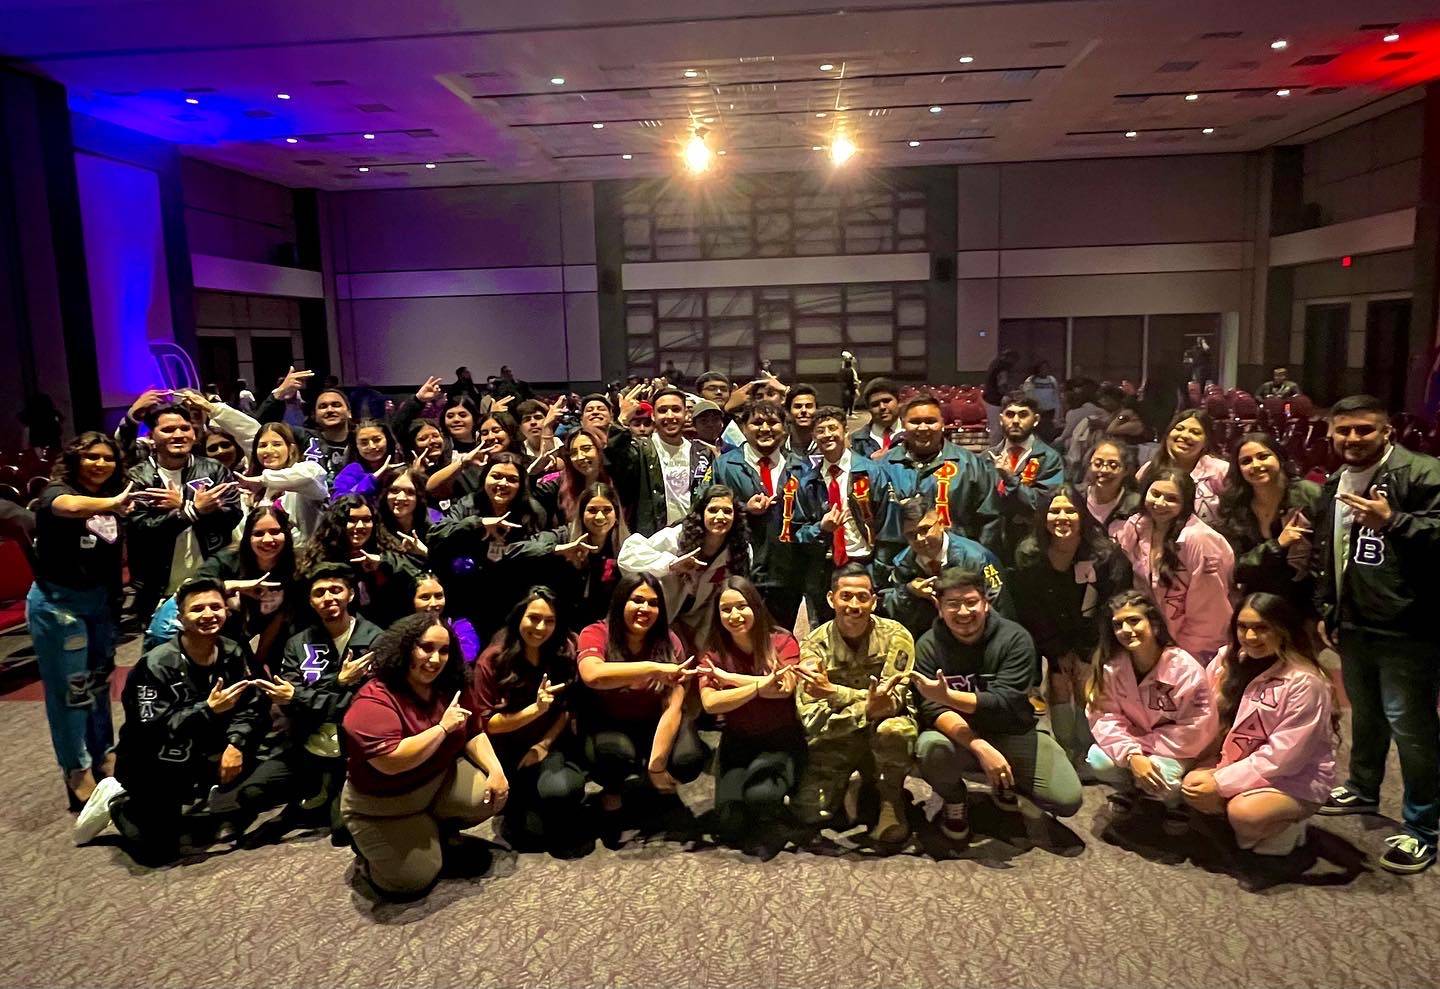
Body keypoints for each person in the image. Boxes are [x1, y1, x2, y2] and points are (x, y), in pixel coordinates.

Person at [1312, 394, 1440, 874]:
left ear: (1387, 430)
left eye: (1364, 429)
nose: (1352, 439)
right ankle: (1365, 788)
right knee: (1367, 713)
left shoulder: (1424, 473)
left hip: (1408, 626)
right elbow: (1334, 552)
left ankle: (1423, 828)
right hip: (1355, 621)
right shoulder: (1335, 482)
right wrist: (1328, 608)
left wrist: (1394, 521)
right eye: (1343, 430)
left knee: (1412, 727)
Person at [72, 579, 288, 861]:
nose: (208, 615)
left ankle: (207, 793)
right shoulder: (155, 665)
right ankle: (117, 801)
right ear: (180, 617)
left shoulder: (233, 651)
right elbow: (149, 729)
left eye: (215, 607)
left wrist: (235, 744)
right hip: (157, 763)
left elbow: (254, 705)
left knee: (273, 780)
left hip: (211, 749)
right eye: (197, 609)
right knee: (158, 852)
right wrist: (207, 711)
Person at [338, 613, 507, 899]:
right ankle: (368, 851)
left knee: (487, 795)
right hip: (384, 804)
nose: (435, 659)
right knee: (411, 882)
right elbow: (392, 762)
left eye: (444, 651)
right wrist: (442, 728)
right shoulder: (373, 700)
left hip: (435, 782)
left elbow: (474, 731)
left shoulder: (452, 684)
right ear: (404, 648)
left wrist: (496, 771)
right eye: (426, 648)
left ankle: (434, 829)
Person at [912, 568, 1083, 844]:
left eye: (971, 601)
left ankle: (1008, 782)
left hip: (1014, 730)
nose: (964, 612)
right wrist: (980, 746)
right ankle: (956, 799)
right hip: (961, 736)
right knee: (929, 748)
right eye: (952, 604)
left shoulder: (1015, 638)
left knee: (1067, 799)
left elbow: (1004, 702)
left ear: (986, 602)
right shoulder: (928, 646)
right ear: (939, 607)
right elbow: (934, 710)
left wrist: (948, 697)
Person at [28, 432, 138, 808]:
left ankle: (105, 754)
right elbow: (67, 507)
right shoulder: (58, 490)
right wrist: (112, 502)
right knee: (71, 692)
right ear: (75, 459)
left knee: (96, 687)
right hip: (59, 606)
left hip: (101, 606)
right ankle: (77, 769)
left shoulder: (117, 498)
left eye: (108, 458)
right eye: (92, 457)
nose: (100, 464)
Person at [1182, 594, 1337, 856]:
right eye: (1243, 627)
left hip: (1294, 777)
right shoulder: (1226, 661)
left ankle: (1289, 827)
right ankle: (1249, 821)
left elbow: (1285, 757)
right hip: (1237, 760)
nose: (1250, 636)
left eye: (1262, 627)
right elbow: (1204, 716)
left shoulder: (1305, 681)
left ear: (1283, 629)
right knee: (1190, 783)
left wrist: (1220, 782)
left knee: (1244, 815)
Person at [792, 564, 917, 846]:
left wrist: (834, 692)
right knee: (808, 812)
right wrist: (867, 707)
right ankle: (853, 785)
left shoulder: (897, 637)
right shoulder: (814, 646)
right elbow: (812, 718)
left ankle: (890, 800)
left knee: (895, 730)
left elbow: (892, 703)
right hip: (837, 737)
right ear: (830, 598)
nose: (855, 605)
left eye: (863, 597)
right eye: (846, 596)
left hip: (882, 735)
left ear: (874, 600)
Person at [1010, 486, 1132, 765]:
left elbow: (1112, 605)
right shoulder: (1029, 553)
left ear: (1082, 515)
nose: (1062, 517)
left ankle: (1090, 749)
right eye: (1054, 511)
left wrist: (1088, 651)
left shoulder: (1105, 555)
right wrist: (1056, 652)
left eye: (1070, 511)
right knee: (1058, 681)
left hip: (1095, 636)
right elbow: (1030, 609)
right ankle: (1067, 749)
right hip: (1049, 636)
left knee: (1087, 681)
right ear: (1043, 516)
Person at [575, 575, 709, 826]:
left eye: (653, 603)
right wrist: (652, 669)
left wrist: (657, 764)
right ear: (620, 602)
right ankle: (612, 790)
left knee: (689, 758)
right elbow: (592, 675)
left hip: (653, 722)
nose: (645, 609)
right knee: (615, 754)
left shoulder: (670, 641)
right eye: (637, 600)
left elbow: (673, 707)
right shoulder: (596, 633)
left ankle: (653, 782)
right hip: (609, 723)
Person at [1083, 590, 1216, 832]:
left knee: (1162, 777)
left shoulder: (1185, 668)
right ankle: (1131, 788)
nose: (1126, 629)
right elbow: (1103, 717)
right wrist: (1133, 755)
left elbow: (1197, 726)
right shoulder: (1112, 667)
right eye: (1118, 624)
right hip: (1135, 745)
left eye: (1134, 620)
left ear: (1154, 624)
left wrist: (1142, 749)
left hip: (1177, 749)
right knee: (1098, 759)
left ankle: (1176, 802)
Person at [472, 588, 587, 851]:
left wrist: (543, 745)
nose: (540, 627)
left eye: (549, 621)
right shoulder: (492, 659)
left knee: (562, 792)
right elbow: (487, 723)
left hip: (547, 745)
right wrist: (534, 711)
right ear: (518, 617)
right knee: (527, 837)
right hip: (504, 752)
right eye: (533, 618)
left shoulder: (562, 651)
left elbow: (566, 707)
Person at [274, 563, 385, 828]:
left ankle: (326, 798)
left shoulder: (375, 640)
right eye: (319, 593)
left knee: (342, 829)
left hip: (352, 748)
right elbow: (288, 704)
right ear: (311, 602)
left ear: (351, 595)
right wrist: (339, 682)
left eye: (336, 590)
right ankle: (315, 796)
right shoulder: (297, 644)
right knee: (252, 793)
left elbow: (365, 705)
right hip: (307, 744)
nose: (328, 598)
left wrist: (302, 697)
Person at [698, 577, 804, 851]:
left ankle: (782, 796)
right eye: (726, 609)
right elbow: (711, 703)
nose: (734, 615)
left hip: (780, 739)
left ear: (756, 606)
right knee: (729, 826)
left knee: (761, 796)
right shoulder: (713, 651)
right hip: (738, 740)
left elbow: (784, 690)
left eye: (742, 606)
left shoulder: (781, 640)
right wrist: (760, 685)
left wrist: (728, 679)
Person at [126, 403, 242, 623]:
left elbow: (232, 516)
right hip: (158, 586)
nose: (178, 435)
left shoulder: (214, 469)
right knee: (162, 650)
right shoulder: (138, 477)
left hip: (212, 579)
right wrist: (192, 510)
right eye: (168, 430)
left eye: (184, 428)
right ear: (151, 436)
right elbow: (140, 529)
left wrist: (182, 507)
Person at [428, 453, 560, 643]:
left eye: (512, 479)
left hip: (512, 599)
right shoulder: (468, 504)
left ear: (521, 485)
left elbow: (539, 552)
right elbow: (435, 535)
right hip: (465, 594)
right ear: (485, 478)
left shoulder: (533, 511)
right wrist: (478, 524)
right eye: (496, 476)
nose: (503, 483)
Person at [1114, 467, 1235, 663]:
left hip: (1196, 650)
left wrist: (1184, 657)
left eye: (1171, 499)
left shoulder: (1200, 540)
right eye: (1155, 494)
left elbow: (1210, 613)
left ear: (1185, 503)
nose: (1160, 503)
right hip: (1153, 642)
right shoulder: (1136, 526)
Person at [711, 400, 810, 626]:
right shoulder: (725, 465)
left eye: (773, 422)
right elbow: (708, 510)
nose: (765, 428)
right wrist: (745, 509)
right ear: (743, 427)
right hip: (739, 570)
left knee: (781, 636)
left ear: (785, 428)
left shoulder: (801, 467)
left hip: (787, 572)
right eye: (757, 422)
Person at [794, 406, 892, 623]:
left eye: (832, 428)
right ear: (813, 436)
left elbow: (887, 525)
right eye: (820, 430)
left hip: (865, 563)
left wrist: (880, 571)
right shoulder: (808, 481)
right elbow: (797, 532)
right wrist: (821, 528)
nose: (827, 434)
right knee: (828, 631)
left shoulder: (870, 472)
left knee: (867, 628)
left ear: (845, 431)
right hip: (826, 569)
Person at [617, 484, 751, 643]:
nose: (720, 516)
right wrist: (671, 564)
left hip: (700, 627)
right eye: (713, 510)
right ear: (702, 513)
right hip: (656, 617)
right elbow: (627, 556)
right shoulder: (677, 536)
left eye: (727, 511)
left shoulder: (741, 551)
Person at [1214, 433, 1321, 613]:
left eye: (1263, 457)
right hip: (1257, 602)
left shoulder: (1309, 494)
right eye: (1246, 461)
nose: (1256, 465)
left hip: (1306, 601)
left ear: (1279, 457)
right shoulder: (1234, 505)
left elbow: (1325, 556)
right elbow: (1235, 567)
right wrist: (1277, 545)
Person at [877, 495, 1008, 639]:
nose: (920, 539)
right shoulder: (903, 564)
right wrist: (909, 591)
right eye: (911, 534)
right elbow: (892, 611)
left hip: (977, 636)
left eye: (925, 529)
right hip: (929, 641)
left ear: (940, 522)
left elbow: (1000, 609)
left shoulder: (976, 558)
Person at [882, 394, 1001, 551]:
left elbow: (990, 519)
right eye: (915, 422)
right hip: (901, 562)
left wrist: (975, 559)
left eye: (931, 421)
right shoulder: (884, 467)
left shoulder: (971, 465)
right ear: (903, 424)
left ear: (943, 424)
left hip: (956, 561)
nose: (923, 427)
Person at [606, 387, 716, 537]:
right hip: (651, 540)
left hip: (692, 537)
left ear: (686, 413)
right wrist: (623, 419)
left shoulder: (703, 453)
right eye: (663, 410)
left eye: (676, 409)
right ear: (653, 415)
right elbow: (613, 459)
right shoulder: (640, 450)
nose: (670, 416)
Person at [986, 393, 1065, 565]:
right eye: (1010, 414)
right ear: (1001, 419)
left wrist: (1009, 478)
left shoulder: (1049, 458)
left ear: (1035, 419)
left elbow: (1042, 504)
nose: (1015, 421)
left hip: (1032, 546)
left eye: (1022, 415)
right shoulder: (986, 458)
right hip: (991, 545)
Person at [554, 482, 629, 633]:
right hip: (564, 628)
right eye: (592, 510)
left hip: (608, 629)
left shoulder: (628, 547)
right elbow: (520, 548)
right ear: (581, 514)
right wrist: (557, 549)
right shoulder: (563, 536)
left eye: (607, 510)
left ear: (617, 516)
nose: (600, 517)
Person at [256, 366, 353, 480]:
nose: (330, 410)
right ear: (314, 416)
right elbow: (261, 427)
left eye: (336, 405)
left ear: (349, 413)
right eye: (323, 406)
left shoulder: (362, 439)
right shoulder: (303, 437)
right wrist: (280, 392)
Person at [238, 422, 328, 538]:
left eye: (276, 444)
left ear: (291, 449)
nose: (269, 450)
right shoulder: (249, 491)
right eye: (262, 445)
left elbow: (313, 473)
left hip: (304, 554)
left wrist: (262, 480)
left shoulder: (304, 481)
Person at [1138, 409, 1229, 523]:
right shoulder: (1148, 469)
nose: (1185, 435)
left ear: (1206, 441)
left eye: (1195, 432)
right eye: (1179, 429)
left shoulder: (1221, 470)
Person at [1079, 438, 1141, 534]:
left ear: (1126, 470)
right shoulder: (1075, 498)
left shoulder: (1136, 506)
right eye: (1097, 464)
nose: (1104, 470)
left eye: (1113, 465)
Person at [848, 378, 902, 459]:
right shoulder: (856, 440)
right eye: (875, 404)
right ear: (869, 409)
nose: (882, 407)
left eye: (886, 401)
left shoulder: (912, 434)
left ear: (899, 402)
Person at [982, 349, 1019, 443]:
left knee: (996, 428)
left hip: (990, 399)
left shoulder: (995, 363)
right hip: (994, 401)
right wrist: (1013, 395)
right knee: (997, 430)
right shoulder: (1002, 368)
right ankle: (995, 452)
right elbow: (1002, 386)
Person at [1023, 361, 1061, 436]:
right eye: (1043, 368)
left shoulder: (1052, 380)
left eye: (1047, 368)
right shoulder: (1031, 380)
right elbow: (1028, 397)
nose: (1045, 370)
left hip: (1049, 412)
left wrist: (1057, 413)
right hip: (1037, 411)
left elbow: (1056, 396)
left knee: (1048, 433)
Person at [786, 384, 818, 456]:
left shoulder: (826, 448)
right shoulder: (778, 449)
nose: (803, 410)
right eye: (798, 406)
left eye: (809, 406)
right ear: (788, 412)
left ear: (817, 410)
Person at [838, 352, 861, 420]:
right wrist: (853, 387)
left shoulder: (845, 369)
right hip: (849, 387)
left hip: (848, 387)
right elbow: (849, 380)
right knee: (849, 400)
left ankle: (849, 412)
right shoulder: (848, 370)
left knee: (850, 399)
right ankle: (849, 413)